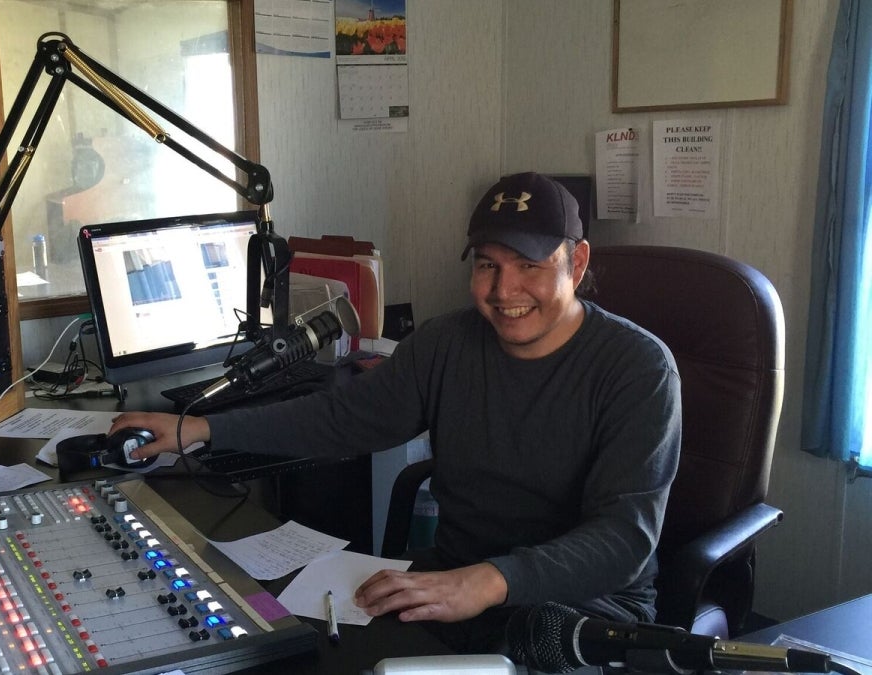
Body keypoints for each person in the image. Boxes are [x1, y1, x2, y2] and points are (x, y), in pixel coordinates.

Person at [110, 171, 682, 653]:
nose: (504, 289)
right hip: (455, 579)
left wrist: (490, 581)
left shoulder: (637, 367)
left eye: (529, 265)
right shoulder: (447, 344)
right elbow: (341, 418)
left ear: (576, 263)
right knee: (308, 650)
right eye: (487, 265)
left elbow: (623, 538)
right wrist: (202, 429)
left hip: (580, 607)